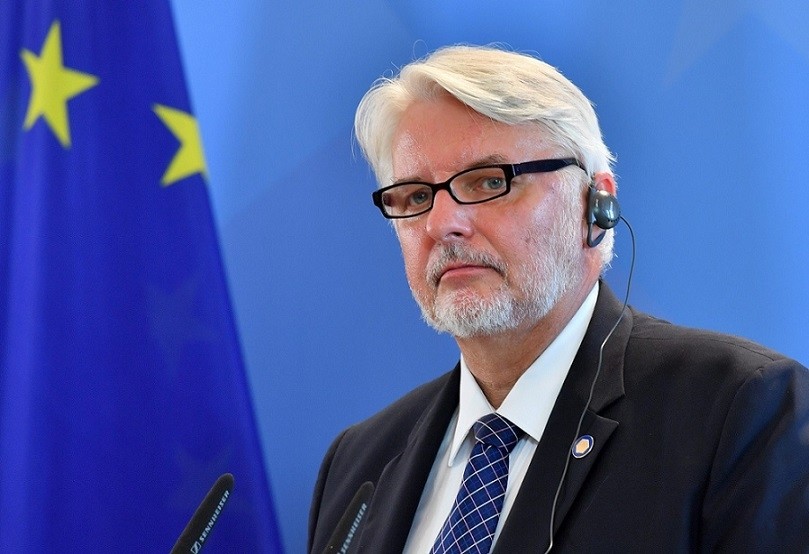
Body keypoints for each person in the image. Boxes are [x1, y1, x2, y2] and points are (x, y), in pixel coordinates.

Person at [308, 44, 809, 553]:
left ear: (596, 205)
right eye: (416, 196)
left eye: (488, 182)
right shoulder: (358, 465)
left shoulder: (738, 413)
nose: (442, 225)